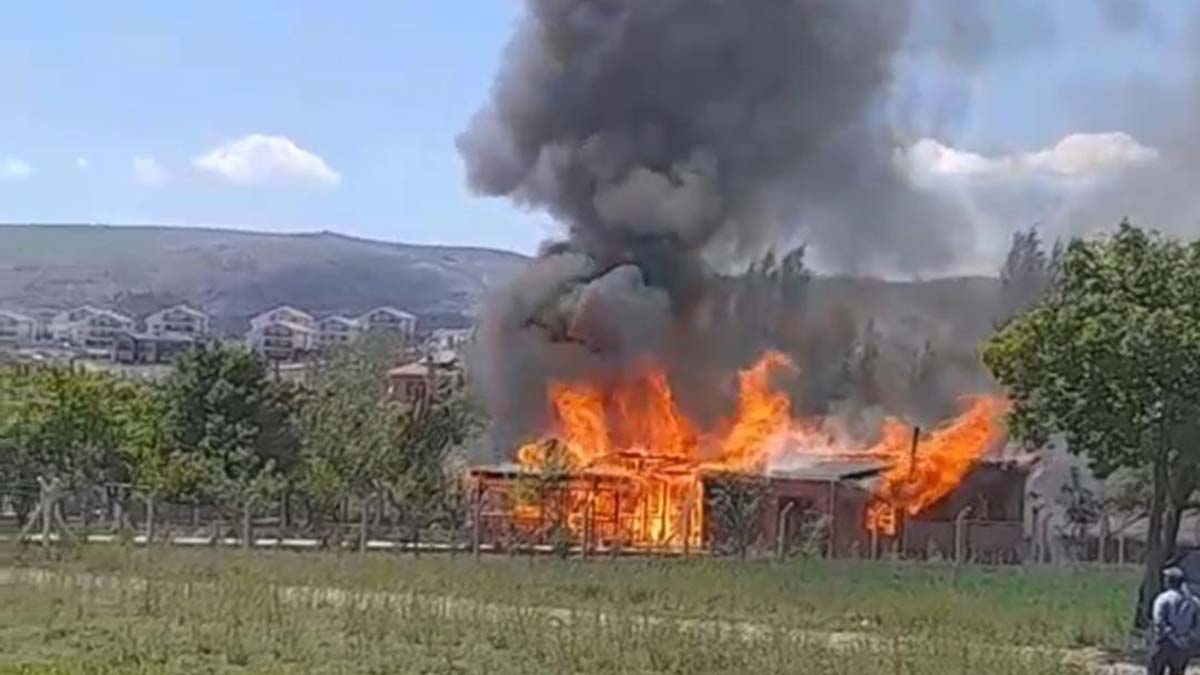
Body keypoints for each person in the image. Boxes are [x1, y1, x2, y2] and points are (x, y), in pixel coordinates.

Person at [1151, 567, 1198, 675]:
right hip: (1183, 645)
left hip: (1163, 643)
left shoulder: (1163, 598)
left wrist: (1171, 635)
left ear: (1169, 582)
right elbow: (1197, 625)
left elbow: (1159, 620)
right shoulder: (1194, 601)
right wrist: (1187, 638)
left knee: (1155, 671)